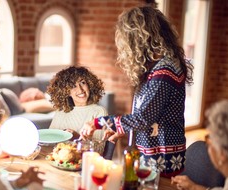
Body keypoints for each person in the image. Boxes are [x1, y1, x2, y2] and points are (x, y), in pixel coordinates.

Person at [80, 6, 193, 176]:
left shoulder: (164, 72)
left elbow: (143, 119)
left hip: (162, 158)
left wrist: (98, 122)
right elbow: (147, 113)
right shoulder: (156, 68)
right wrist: (120, 128)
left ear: (138, 39)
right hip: (152, 154)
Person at [47, 66, 107, 140]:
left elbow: (100, 148)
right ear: (66, 91)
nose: (80, 90)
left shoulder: (99, 112)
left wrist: (77, 137)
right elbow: (49, 140)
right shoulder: (61, 111)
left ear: (89, 84)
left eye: (82, 83)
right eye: (73, 86)